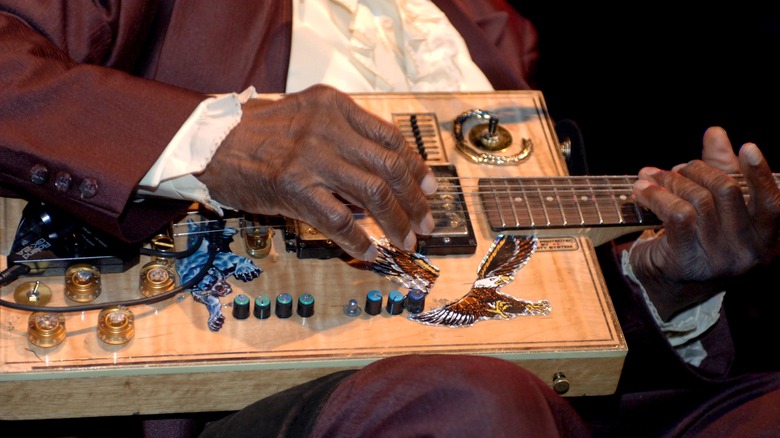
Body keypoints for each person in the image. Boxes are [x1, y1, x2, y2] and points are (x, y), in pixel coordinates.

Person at [1, 1, 779, 437]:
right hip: (252, 402)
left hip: (533, 397)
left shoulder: (495, 31)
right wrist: (212, 138)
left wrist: (659, 284)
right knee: (474, 407)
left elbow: (512, 297)